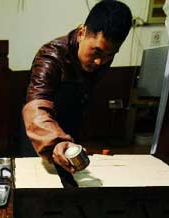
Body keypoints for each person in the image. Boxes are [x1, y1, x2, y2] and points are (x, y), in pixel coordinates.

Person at [23, 0, 132, 173]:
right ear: (82, 33)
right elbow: (36, 106)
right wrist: (55, 142)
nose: (99, 62)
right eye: (96, 51)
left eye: (110, 55)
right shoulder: (50, 56)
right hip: (41, 134)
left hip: (71, 135)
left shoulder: (102, 58)